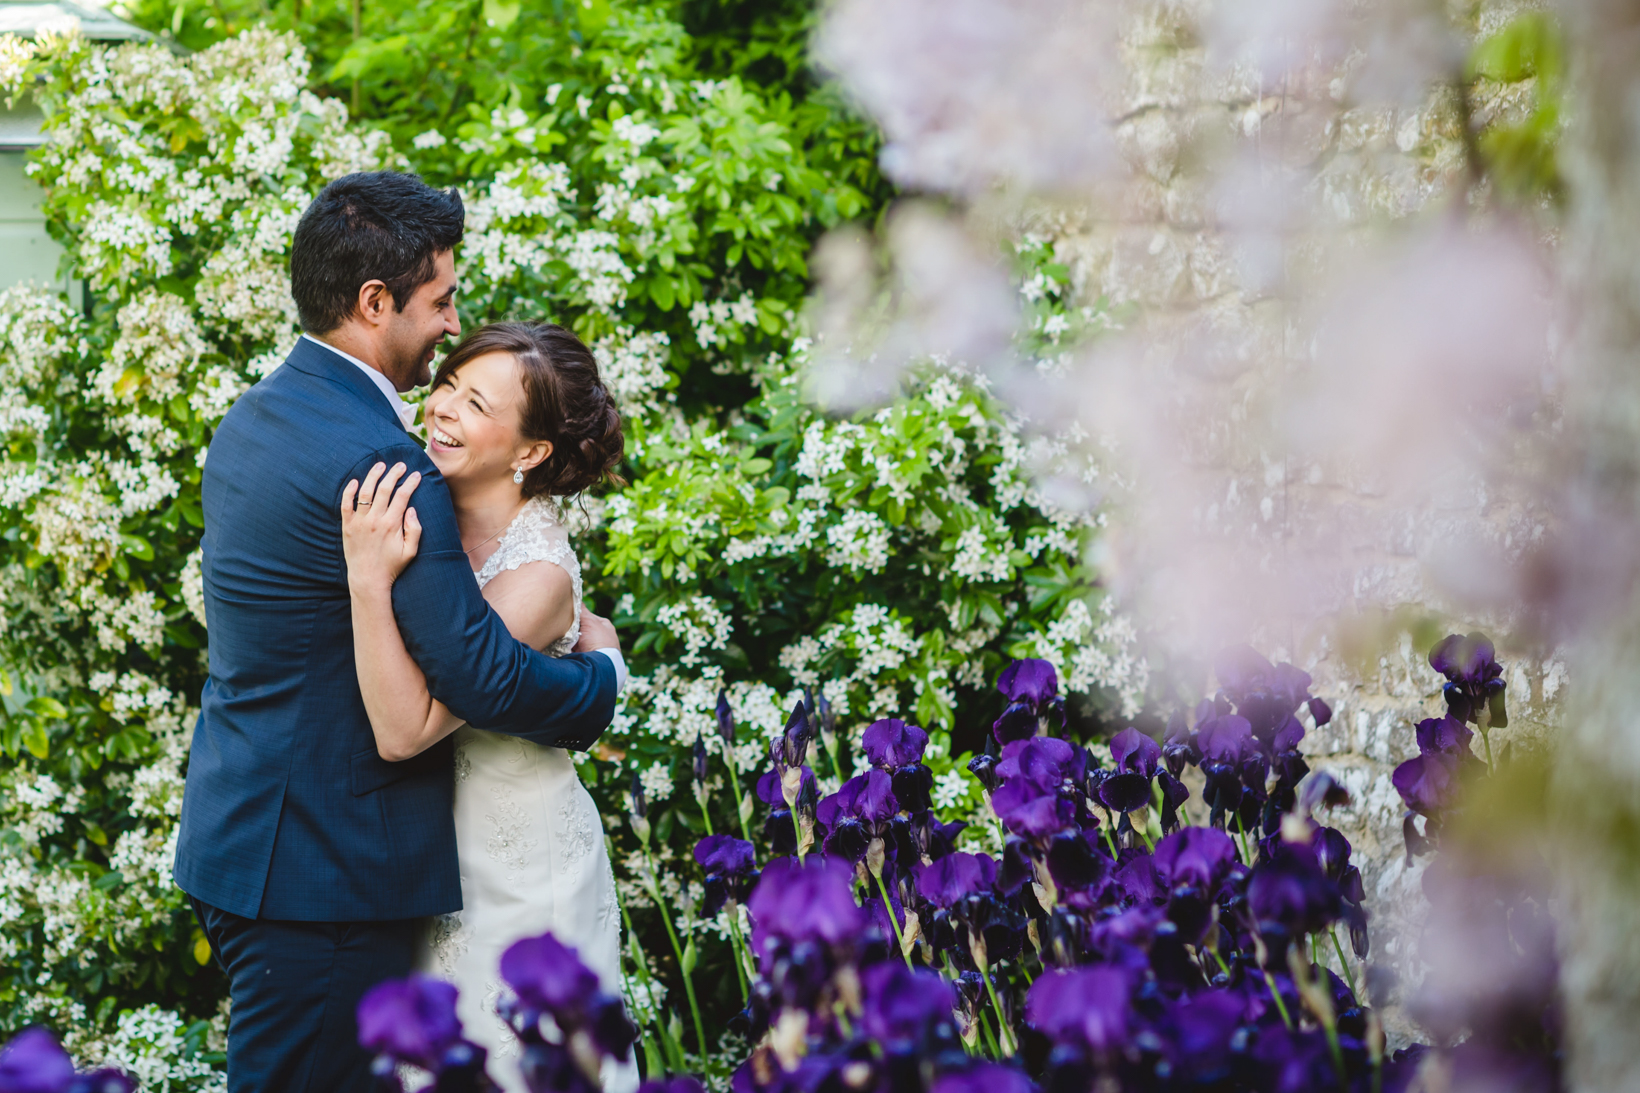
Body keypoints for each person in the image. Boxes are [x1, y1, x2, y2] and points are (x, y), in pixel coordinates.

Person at [172, 171, 627, 1093]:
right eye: (441, 301)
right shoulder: (382, 464)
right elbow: (482, 677)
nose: (452, 324)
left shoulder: (256, 419)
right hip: (324, 872)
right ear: (376, 303)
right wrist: (603, 679)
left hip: (252, 838)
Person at [341, 321, 636, 1092]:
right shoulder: (432, 509)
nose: (442, 409)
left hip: (519, 865)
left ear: (530, 451)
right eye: (449, 384)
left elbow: (407, 728)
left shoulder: (536, 576)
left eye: (476, 402)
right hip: (440, 852)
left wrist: (369, 582)